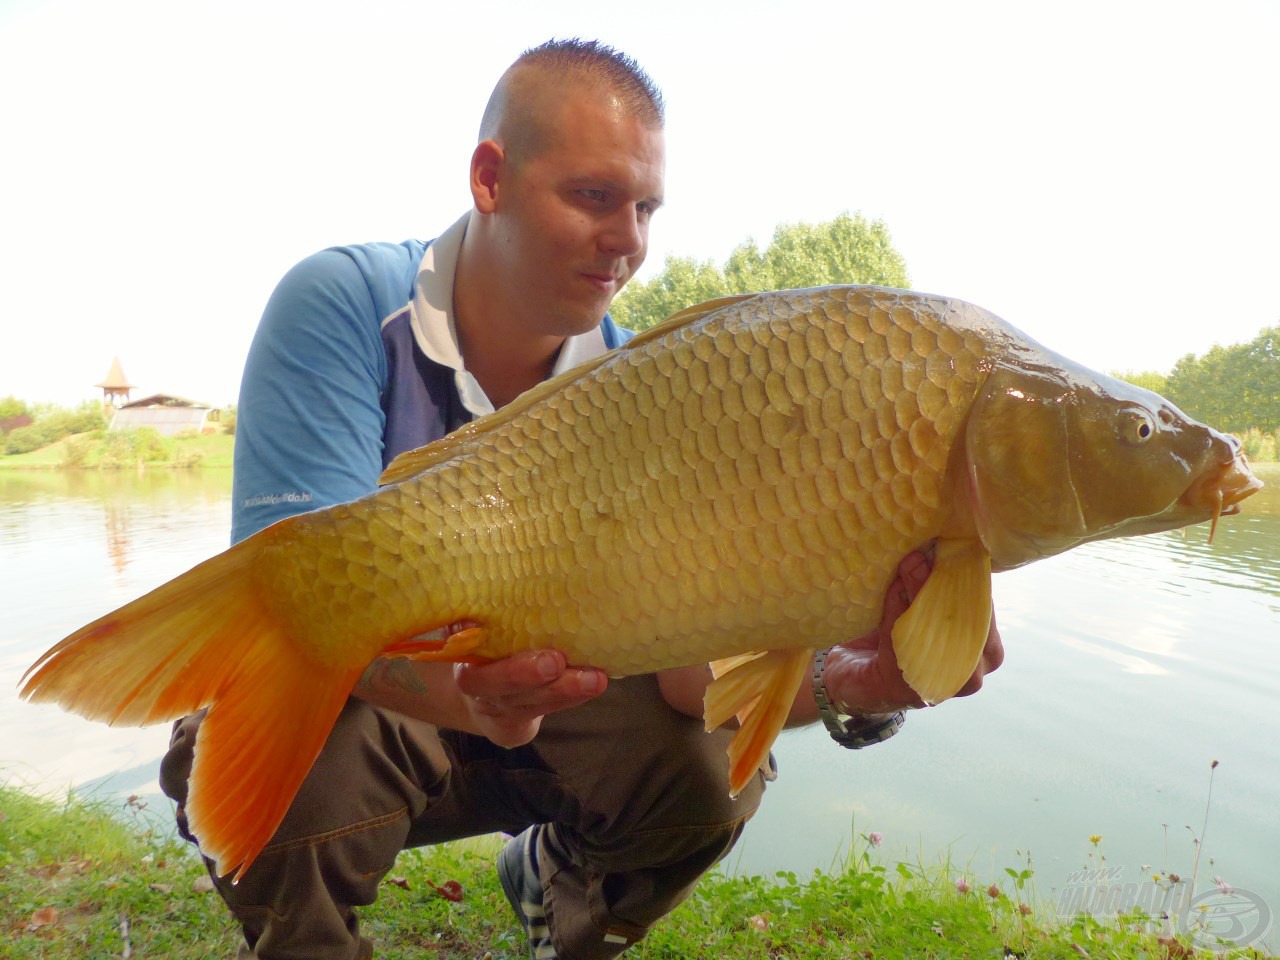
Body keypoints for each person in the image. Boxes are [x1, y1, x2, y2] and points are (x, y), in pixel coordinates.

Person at [159, 38, 1003, 960]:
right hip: (397, 712)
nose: (630, 240)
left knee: (713, 775)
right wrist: (467, 699)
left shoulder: (655, 384)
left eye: (646, 207)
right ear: (491, 177)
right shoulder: (345, 304)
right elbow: (292, 607)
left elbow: (692, 683)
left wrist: (860, 683)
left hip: (556, 712)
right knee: (298, 741)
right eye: (596, 197)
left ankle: (562, 893)